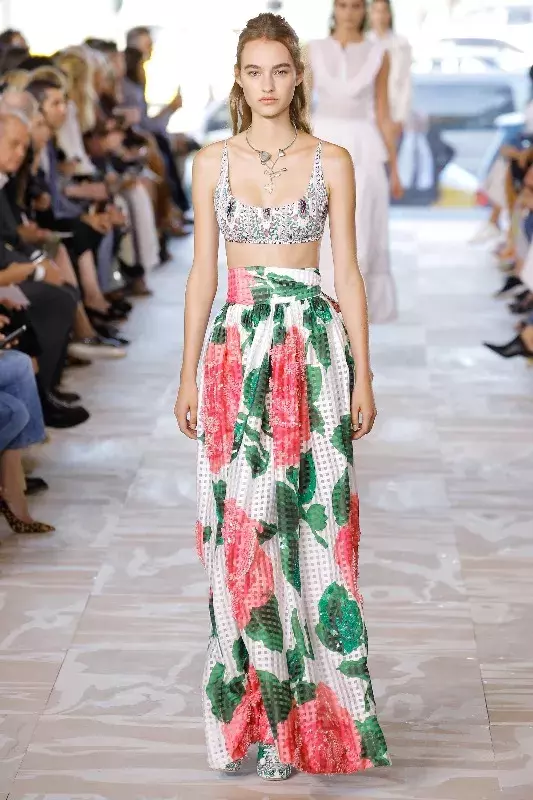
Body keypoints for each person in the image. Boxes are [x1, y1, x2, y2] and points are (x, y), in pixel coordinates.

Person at [174, 11, 390, 782]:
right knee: (241, 534)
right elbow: (203, 273)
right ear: (238, 78)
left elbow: (347, 273)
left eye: (279, 70)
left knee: (318, 535)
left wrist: (364, 372)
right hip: (235, 356)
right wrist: (187, 372)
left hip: (314, 352)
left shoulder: (332, 160)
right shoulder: (210, 162)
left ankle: (315, 724)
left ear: (298, 76)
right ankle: (258, 721)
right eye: (253, 71)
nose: (266, 84)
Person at [305, 0, 402, 323]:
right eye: (343, 5)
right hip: (321, 142)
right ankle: (322, 309)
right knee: (320, 227)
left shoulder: (379, 54)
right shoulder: (312, 50)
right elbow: (302, 108)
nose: (349, 12)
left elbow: (383, 112)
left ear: (365, 10)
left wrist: (395, 169)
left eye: (356, 5)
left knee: (362, 227)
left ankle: (354, 312)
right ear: (334, 9)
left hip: (364, 147)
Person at [367, 0, 412, 141]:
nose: (380, 16)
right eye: (376, 11)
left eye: (383, 11)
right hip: (368, 116)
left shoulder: (401, 44)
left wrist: (400, 118)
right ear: (370, 14)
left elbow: (405, 83)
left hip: (393, 113)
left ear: (389, 15)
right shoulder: (363, 43)